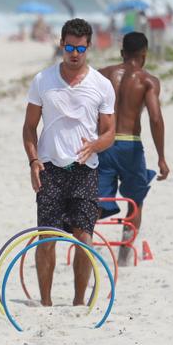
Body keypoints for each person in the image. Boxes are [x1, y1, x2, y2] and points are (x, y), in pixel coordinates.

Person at [22, 18, 116, 307]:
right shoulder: (43, 80)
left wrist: (97, 144)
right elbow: (29, 127)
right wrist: (33, 161)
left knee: (84, 237)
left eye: (80, 48)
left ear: (88, 47)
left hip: (85, 171)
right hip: (50, 169)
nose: (74, 53)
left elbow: (110, 131)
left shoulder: (101, 85)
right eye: (69, 47)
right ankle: (46, 302)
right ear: (61, 44)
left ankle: (78, 302)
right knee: (46, 238)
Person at [97, 32, 169, 266]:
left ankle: (85, 244)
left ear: (121, 53)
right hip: (130, 145)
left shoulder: (101, 75)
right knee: (135, 200)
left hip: (104, 142)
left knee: (97, 199)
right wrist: (161, 157)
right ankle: (124, 257)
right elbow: (155, 119)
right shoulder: (147, 80)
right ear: (144, 54)